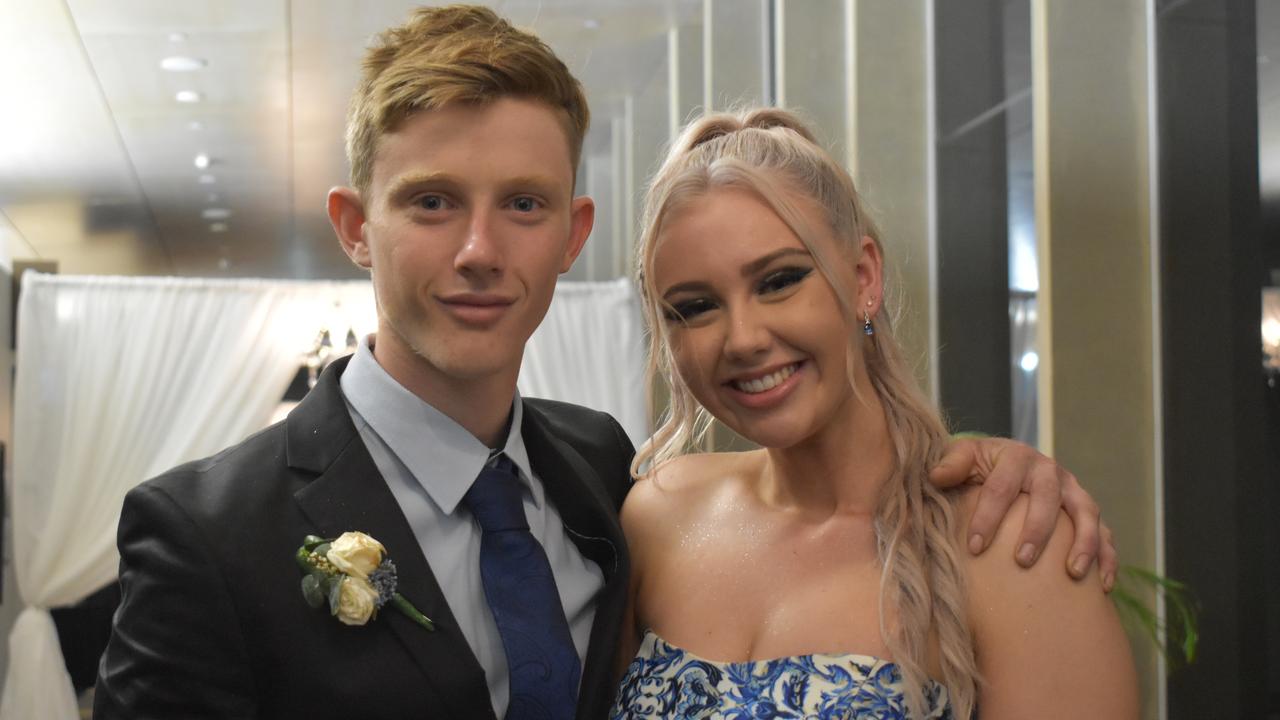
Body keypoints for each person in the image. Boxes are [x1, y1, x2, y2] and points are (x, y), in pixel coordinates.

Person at [94, 6, 1114, 720]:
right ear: (357, 227)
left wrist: (998, 464)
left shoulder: (601, 478)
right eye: (432, 201)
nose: (480, 251)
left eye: (524, 204)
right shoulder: (206, 536)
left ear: (571, 234)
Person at [612, 108, 1138, 719]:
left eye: (779, 281)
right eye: (697, 307)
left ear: (864, 276)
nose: (744, 339)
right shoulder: (660, 515)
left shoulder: (1009, 547)